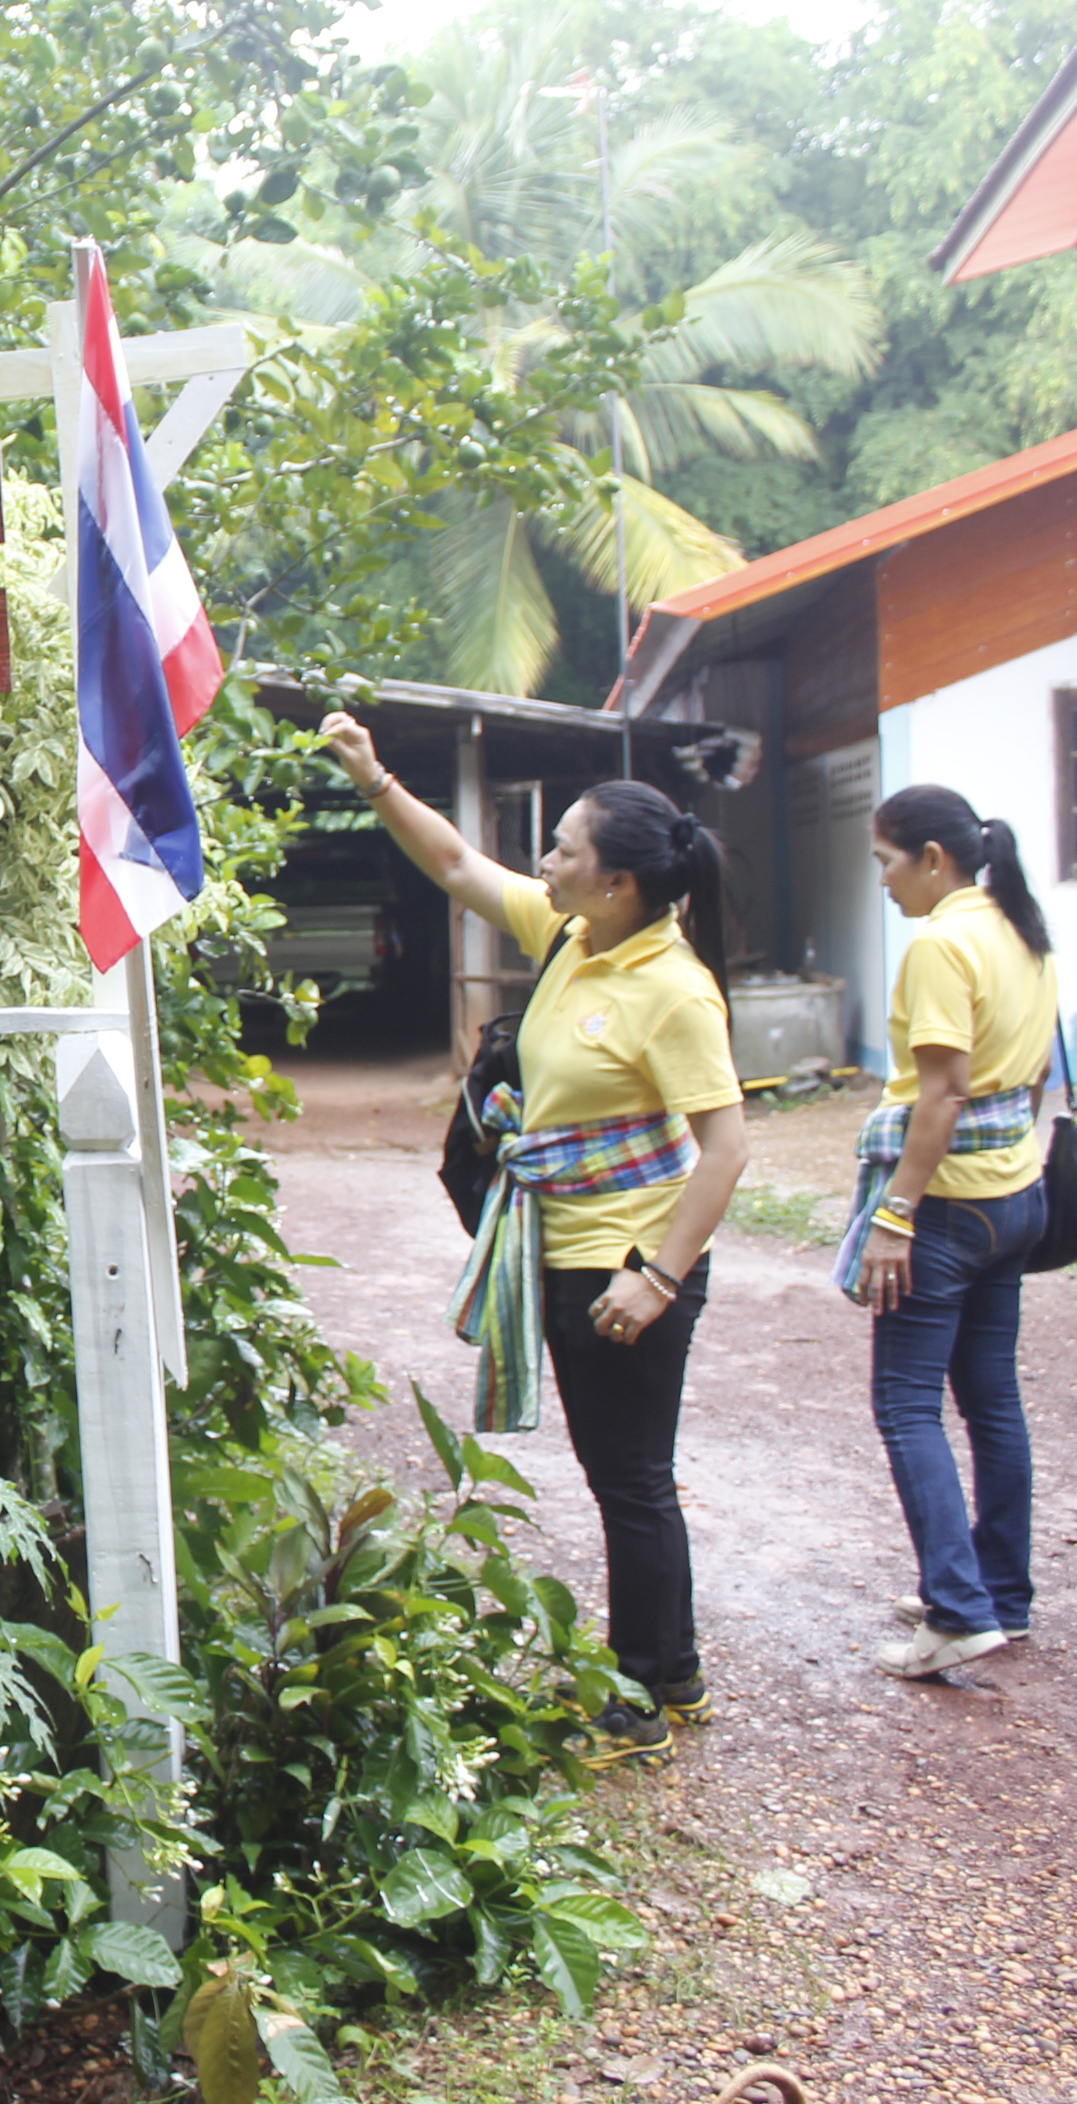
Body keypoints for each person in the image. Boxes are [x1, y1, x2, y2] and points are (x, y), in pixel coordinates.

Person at [320, 715, 749, 1767]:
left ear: (618, 884)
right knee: (627, 1475)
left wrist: (656, 1278)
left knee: (631, 1481)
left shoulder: (671, 988)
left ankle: (639, 1699)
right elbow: (459, 864)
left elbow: (727, 1149)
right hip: (562, 1251)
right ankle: (675, 1672)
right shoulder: (572, 937)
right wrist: (376, 780)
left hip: (622, 1265)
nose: (545, 863)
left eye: (564, 850)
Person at [839, 785, 1057, 1679]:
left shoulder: (942, 944)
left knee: (905, 1403)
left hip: (947, 1209)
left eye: (887, 862)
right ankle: (1000, 1593)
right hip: (1018, 1196)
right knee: (992, 1402)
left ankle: (959, 1611)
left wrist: (896, 1214)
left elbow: (944, 1090)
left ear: (933, 858)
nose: (884, 882)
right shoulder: (1020, 929)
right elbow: (1029, 1075)